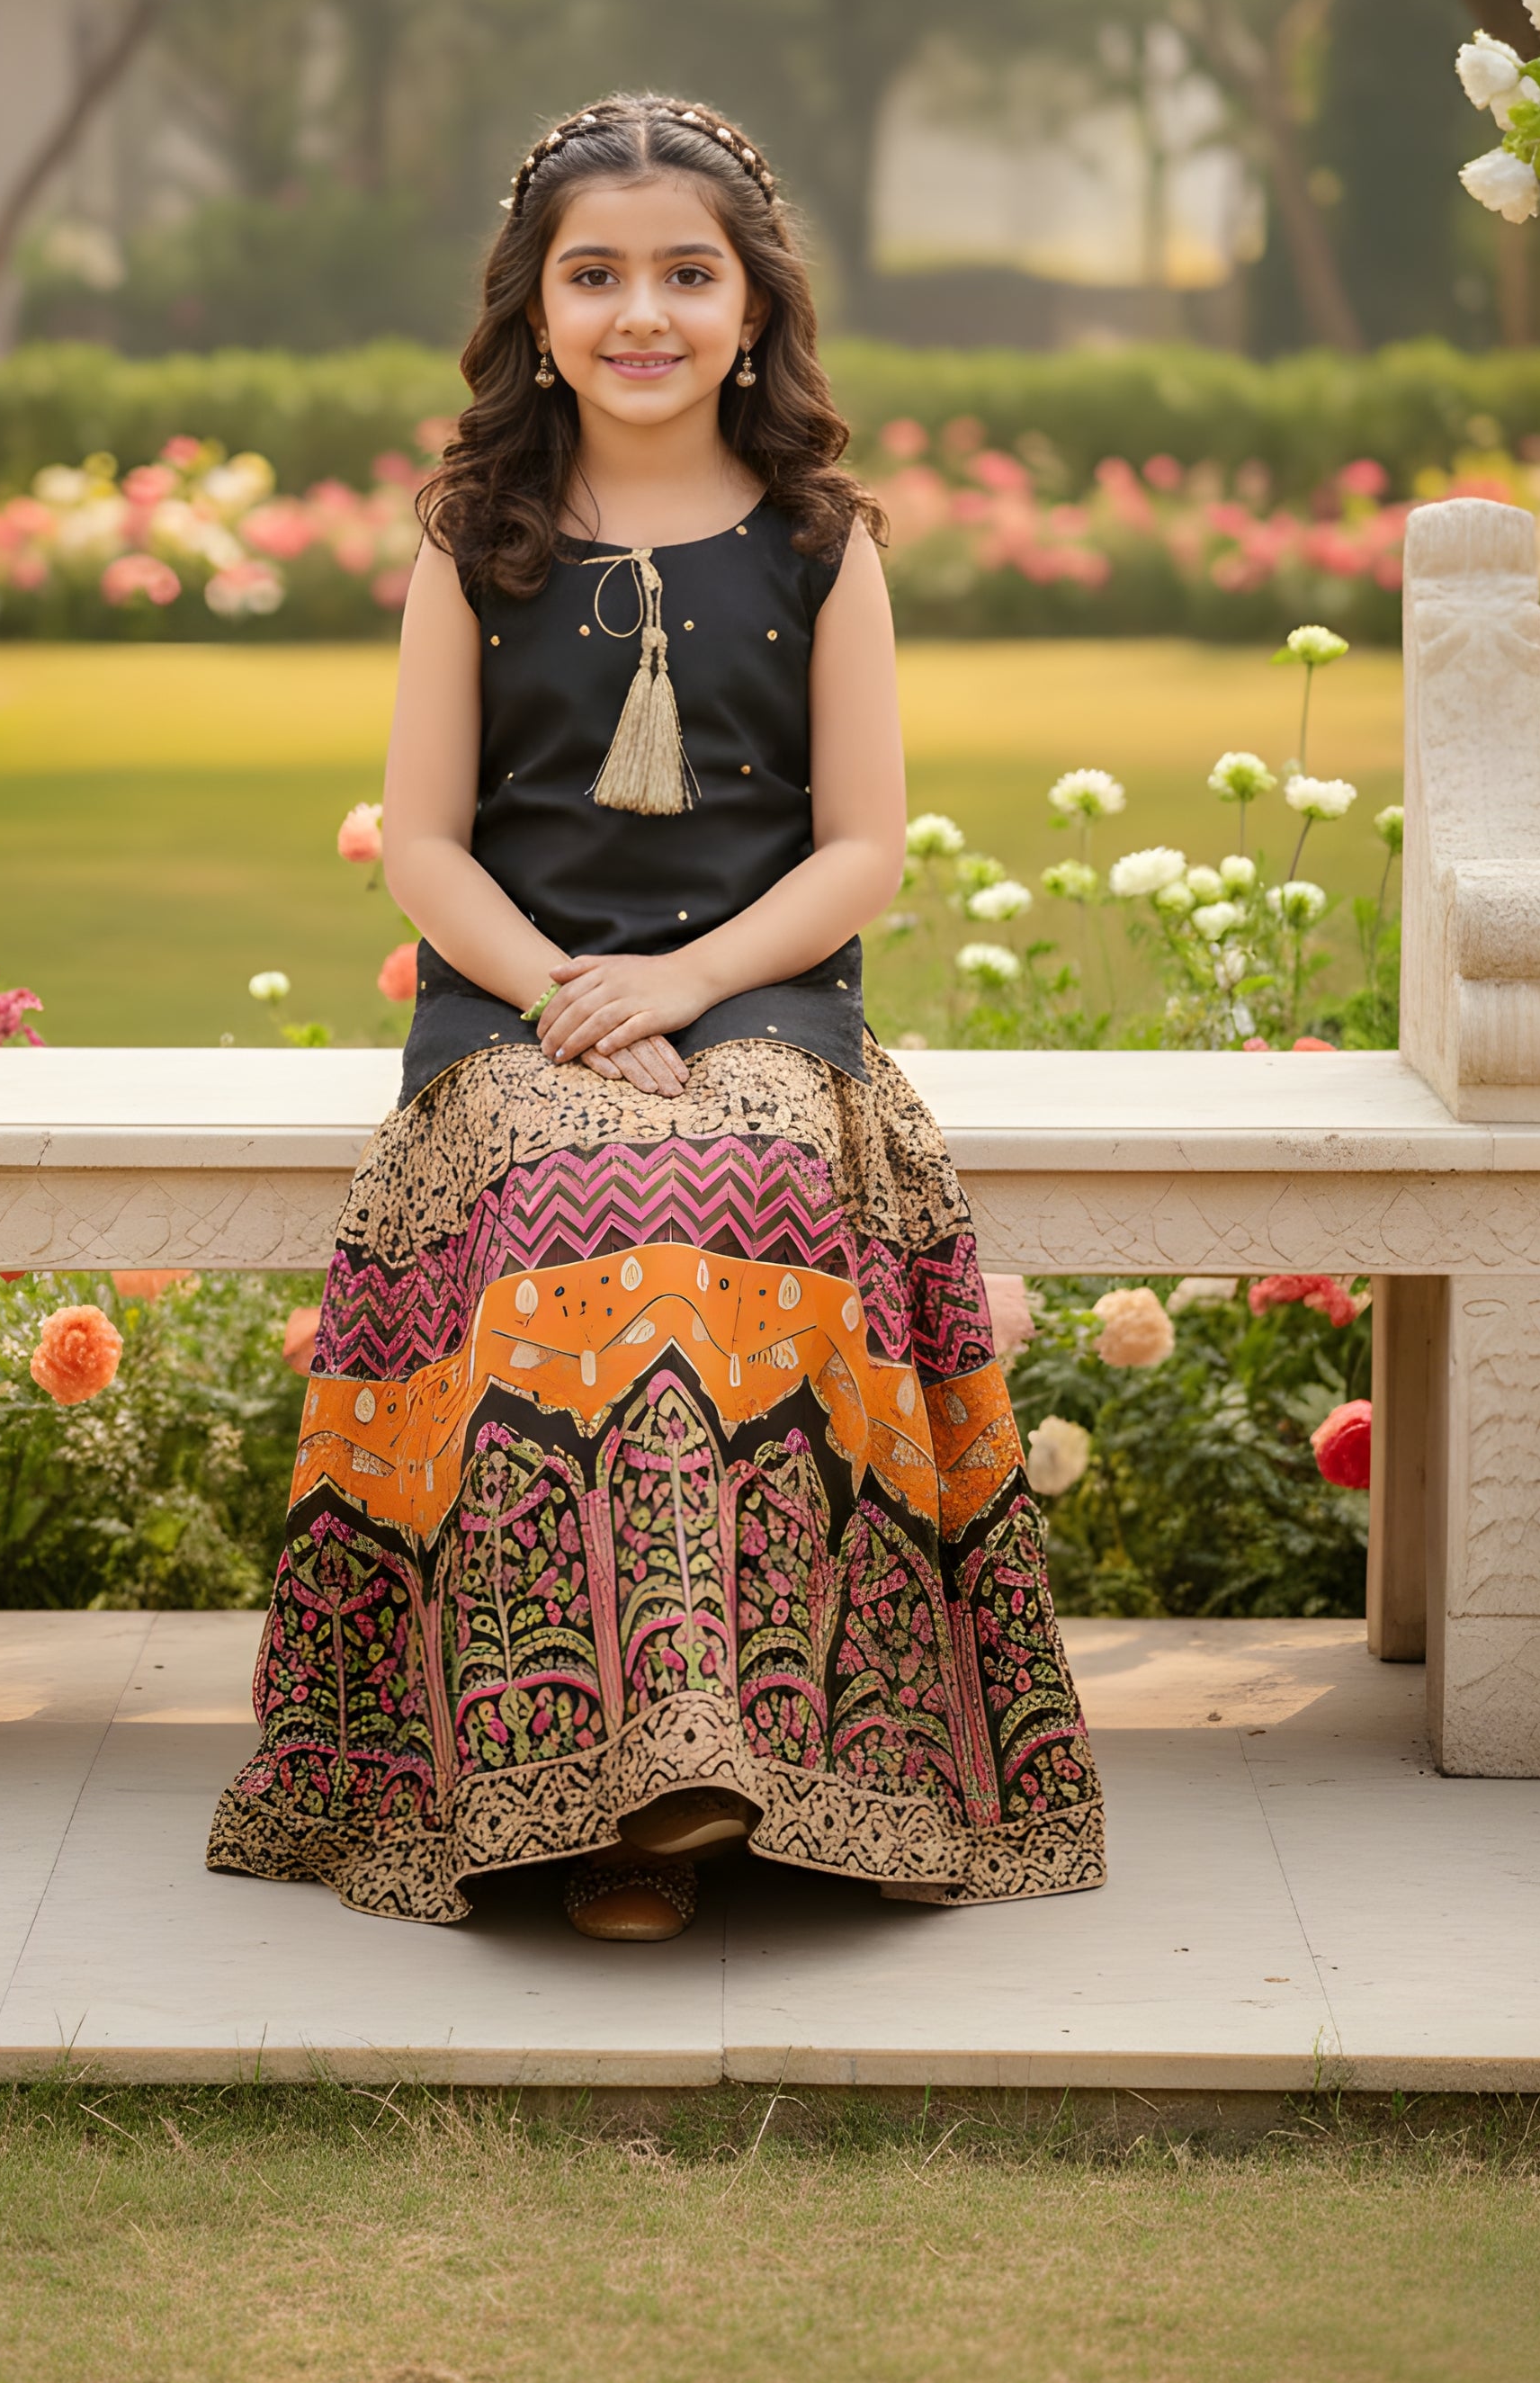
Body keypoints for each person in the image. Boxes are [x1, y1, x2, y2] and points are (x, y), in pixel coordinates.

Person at [206, 94, 1106, 1940]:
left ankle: (754, 1763)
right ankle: (592, 1798)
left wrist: (690, 987)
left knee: (746, 1187)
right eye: (594, 273)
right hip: (516, 1014)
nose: (641, 313)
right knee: (570, 1213)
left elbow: (861, 844)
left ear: (753, 305)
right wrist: (563, 999)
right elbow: (429, 846)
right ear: (530, 310)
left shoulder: (813, 538)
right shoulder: (474, 534)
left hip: (760, 995)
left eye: (684, 274)